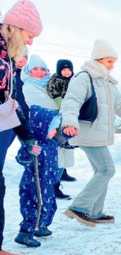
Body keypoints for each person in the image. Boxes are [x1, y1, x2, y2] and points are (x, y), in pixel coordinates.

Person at [60, 39, 121, 226]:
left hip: (99, 134)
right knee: (107, 170)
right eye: (109, 61)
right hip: (87, 132)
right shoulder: (83, 78)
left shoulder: (107, 83)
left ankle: (94, 211)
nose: (112, 66)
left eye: (114, 62)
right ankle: (80, 206)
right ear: (98, 59)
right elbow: (71, 101)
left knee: (100, 171)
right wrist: (69, 121)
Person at [0, 0, 43, 255]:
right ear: (16, 29)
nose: (31, 43)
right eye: (30, 35)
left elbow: (11, 101)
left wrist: (25, 135)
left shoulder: (8, 60)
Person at [15, 54, 61, 247]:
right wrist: (58, 117)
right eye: (35, 69)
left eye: (43, 69)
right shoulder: (28, 88)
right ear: (28, 71)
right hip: (37, 143)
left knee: (47, 183)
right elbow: (37, 113)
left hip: (49, 146)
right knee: (35, 187)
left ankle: (41, 224)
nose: (40, 72)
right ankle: (26, 230)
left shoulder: (50, 87)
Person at [47, 58, 77, 197]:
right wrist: (62, 106)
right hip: (60, 115)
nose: (66, 72)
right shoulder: (55, 80)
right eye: (64, 70)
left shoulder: (75, 81)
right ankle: (55, 184)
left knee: (66, 148)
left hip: (70, 115)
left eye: (69, 69)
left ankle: (62, 173)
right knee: (60, 148)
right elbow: (54, 94)